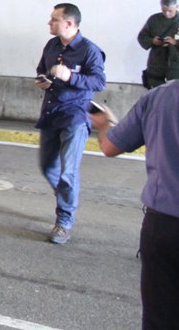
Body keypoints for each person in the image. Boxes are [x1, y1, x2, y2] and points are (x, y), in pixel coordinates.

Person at [89, 84, 179, 330]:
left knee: (160, 317)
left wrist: (104, 123)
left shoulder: (158, 97)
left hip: (164, 226)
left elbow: (109, 146)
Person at [34, 2, 105, 245]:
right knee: (48, 167)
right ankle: (67, 196)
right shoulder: (52, 45)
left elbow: (98, 82)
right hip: (51, 113)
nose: (49, 22)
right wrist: (43, 80)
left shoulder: (89, 50)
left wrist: (71, 76)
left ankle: (64, 221)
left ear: (69, 24)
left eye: (54, 19)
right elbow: (42, 69)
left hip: (75, 116)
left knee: (68, 171)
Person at [137, 0, 179, 89]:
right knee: (156, 94)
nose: (167, 13)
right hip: (156, 63)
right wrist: (152, 41)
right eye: (164, 10)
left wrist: (175, 42)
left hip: (176, 65)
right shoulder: (154, 20)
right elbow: (142, 36)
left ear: (177, 7)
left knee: (175, 95)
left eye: (170, 11)